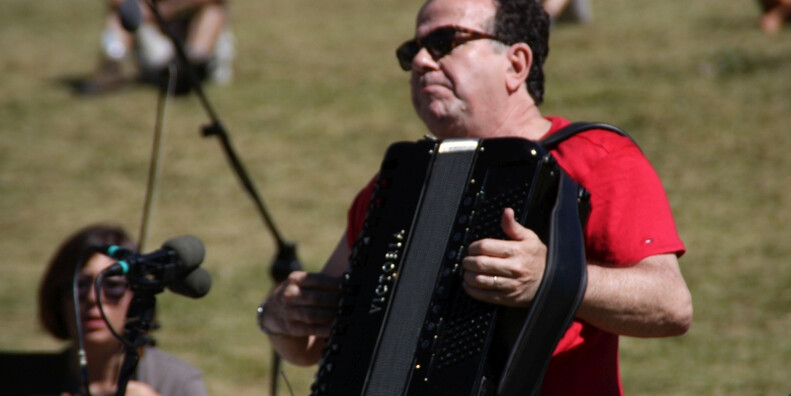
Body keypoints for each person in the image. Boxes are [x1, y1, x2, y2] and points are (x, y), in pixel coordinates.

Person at [257, 0, 693, 394]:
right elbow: (312, 344)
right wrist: (279, 317)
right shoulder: (396, 184)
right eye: (414, 52)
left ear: (516, 63)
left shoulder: (594, 157)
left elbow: (670, 306)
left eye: (446, 42)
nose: (423, 62)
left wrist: (551, 278)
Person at [1, 224, 209, 395]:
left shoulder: (177, 384)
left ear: (137, 296)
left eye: (112, 285)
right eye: (80, 285)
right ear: (57, 297)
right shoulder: (14, 379)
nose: (93, 298)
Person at [76, 0, 234, 95]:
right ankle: (112, 65)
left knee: (214, 10)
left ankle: (194, 65)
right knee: (120, 14)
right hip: (156, 37)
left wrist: (169, 9)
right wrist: (144, 9)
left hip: (194, 33)